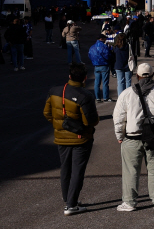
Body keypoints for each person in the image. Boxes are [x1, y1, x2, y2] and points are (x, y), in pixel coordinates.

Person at [113, 62, 154, 211]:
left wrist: (119, 135)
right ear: (153, 75)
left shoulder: (127, 93)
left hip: (132, 136)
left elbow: (118, 117)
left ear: (137, 76)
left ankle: (129, 202)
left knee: (131, 171)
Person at [43, 63, 99, 215]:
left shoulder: (54, 91)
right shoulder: (85, 96)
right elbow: (91, 121)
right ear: (85, 78)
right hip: (80, 138)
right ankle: (71, 204)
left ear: (69, 76)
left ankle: (68, 198)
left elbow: (47, 113)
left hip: (61, 136)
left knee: (65, 168)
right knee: (77, 171)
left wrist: (58, 125)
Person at [88, 35, 113, 102]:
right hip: (104, 65)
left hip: (96, 66)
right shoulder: (104, 47)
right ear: (102, 39)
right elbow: (108, 55)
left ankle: (97, 97)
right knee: (105, 82)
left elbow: (90, 55)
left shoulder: (92, 47)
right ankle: (105, 97)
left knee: (97, 82)